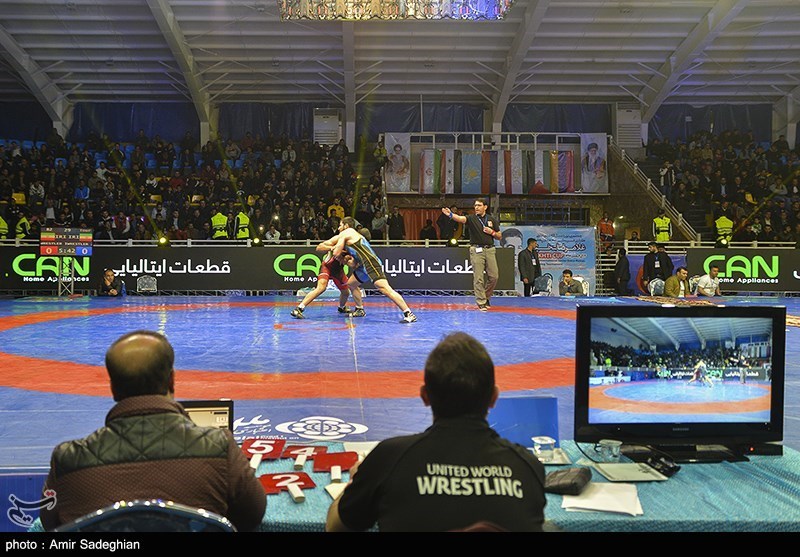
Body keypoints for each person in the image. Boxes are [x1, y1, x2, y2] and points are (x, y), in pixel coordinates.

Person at [39, 331, 266, 531]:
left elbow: (51, 524)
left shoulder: (68, 459)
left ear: (113, 388)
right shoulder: (217, 447)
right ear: (172, 381)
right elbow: (252, 516)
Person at [325, 332, 547, 532]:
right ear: (494, 398)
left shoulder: (389, 459)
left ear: (424, 396)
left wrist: (357, 482)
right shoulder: (527, 467)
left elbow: (335, 528)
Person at [329, 216, 417, 323]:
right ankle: (359, 309)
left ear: (346, 226)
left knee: (385, 289)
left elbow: (336, 253)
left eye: (340, 225)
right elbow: (353, 262)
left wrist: (333, 248)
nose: (339, 228)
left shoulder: (347, 232)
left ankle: (408, 313)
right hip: (364, 266)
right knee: (351, 284)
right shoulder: (351, 237)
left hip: (371, 263)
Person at [442, 198, 501, 311]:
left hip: (490, 249)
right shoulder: (471, 218)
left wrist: (492, 232)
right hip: (476, 249)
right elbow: (460, 219)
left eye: (479, 205)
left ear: (485, 207)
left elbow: (499, 236)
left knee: (494, 276)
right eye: (475, 205)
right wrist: (451, 215)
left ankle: (486, 297)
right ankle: (481, 302)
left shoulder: (491, 219)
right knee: (478, 278)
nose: (476, 207)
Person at [290, 247, 352, 319]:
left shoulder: (351, 248)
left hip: (338, 271)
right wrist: (331, 248)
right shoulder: (336, 243)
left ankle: (341, 307)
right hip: (326, 268)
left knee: (346, 292)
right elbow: (319, 247)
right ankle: (299, 308)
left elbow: (351, 263)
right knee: (321, 288)